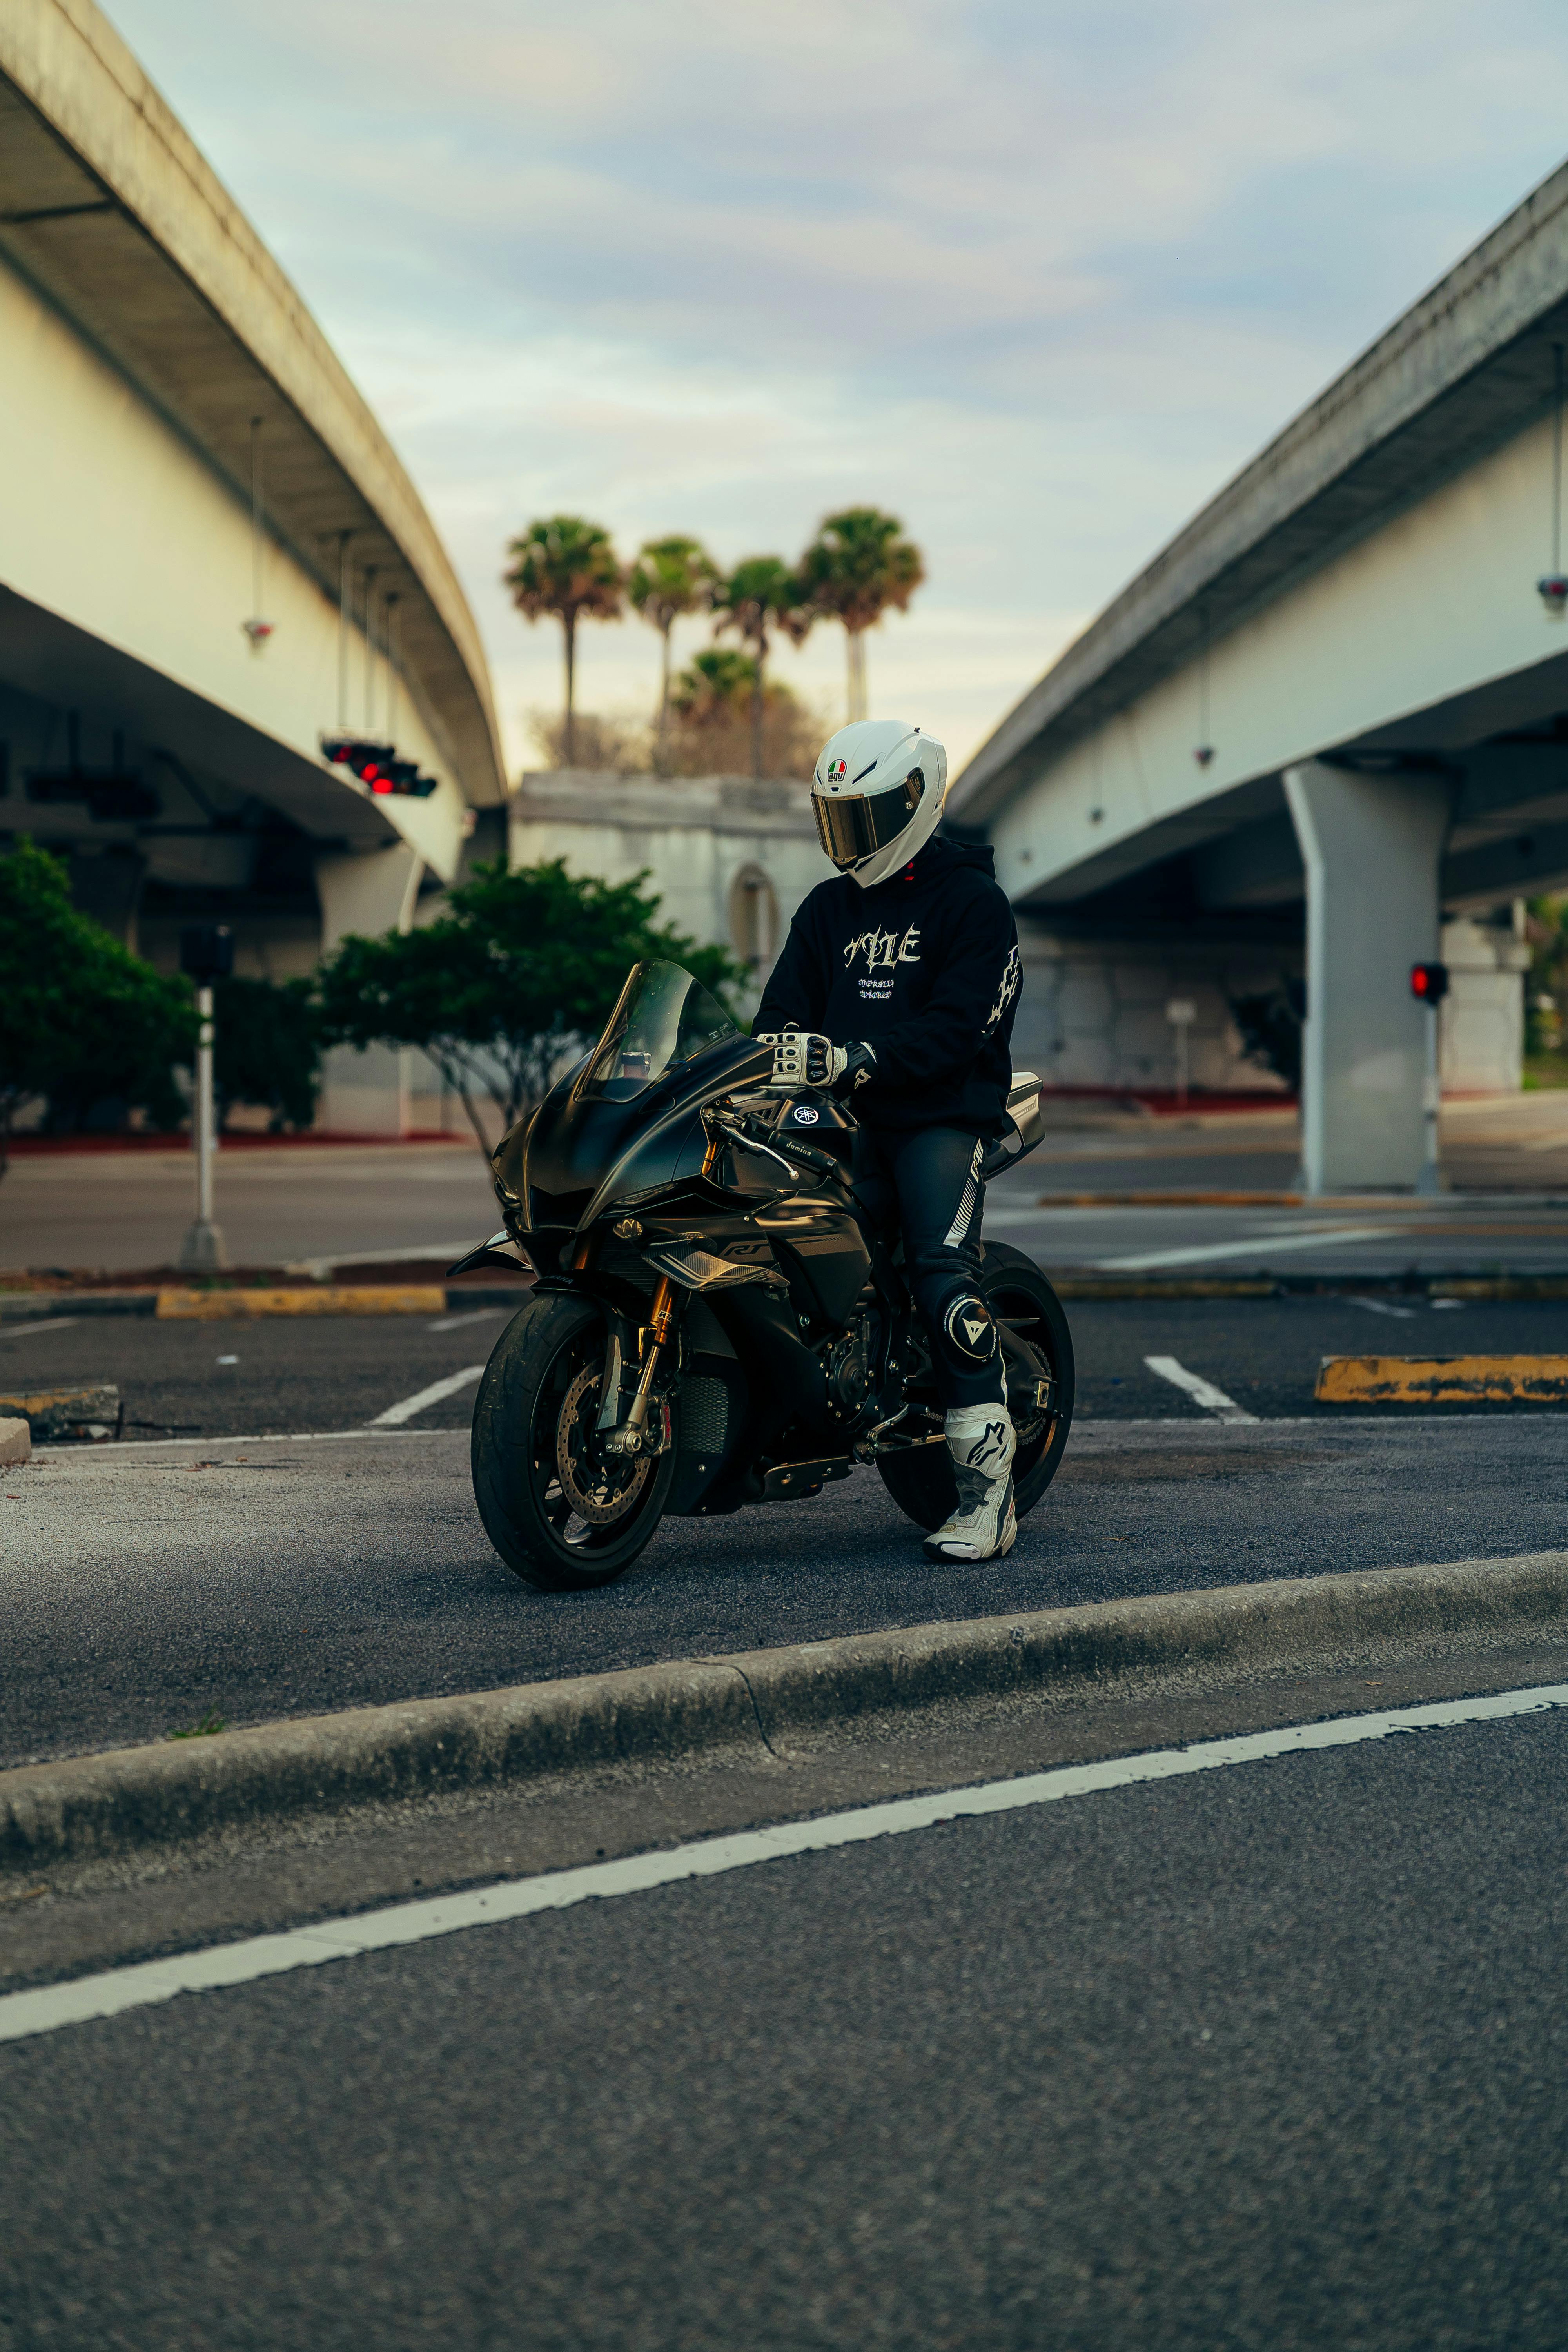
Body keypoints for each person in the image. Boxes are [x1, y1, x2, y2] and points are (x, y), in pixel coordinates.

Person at [755, 718, 1023, 1562]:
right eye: (836, 818)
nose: (848, 837)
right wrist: (764, 1060)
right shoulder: (827, 907)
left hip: (938, 1118)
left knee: (942, 1274)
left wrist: (862, 1055)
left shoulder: (973, 903)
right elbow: (780, 1012)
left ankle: (988, 1500)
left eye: (863, 817)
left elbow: (960, 1027)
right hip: (840, 1121)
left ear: (915, 800)